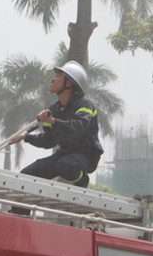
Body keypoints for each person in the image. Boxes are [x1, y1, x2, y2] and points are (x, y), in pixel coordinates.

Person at [9, 60, 103, 189]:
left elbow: (77, 128)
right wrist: (26, 136)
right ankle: (18, 210)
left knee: (65, 165)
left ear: (68, 82)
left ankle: (82, 180)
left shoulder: (85, 105)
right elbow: (49, 141)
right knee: (26, 175)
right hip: (64, 155)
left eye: (58, 76)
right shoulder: (54, 109)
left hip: (86, 156)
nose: (53, 80)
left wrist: (53, 121)